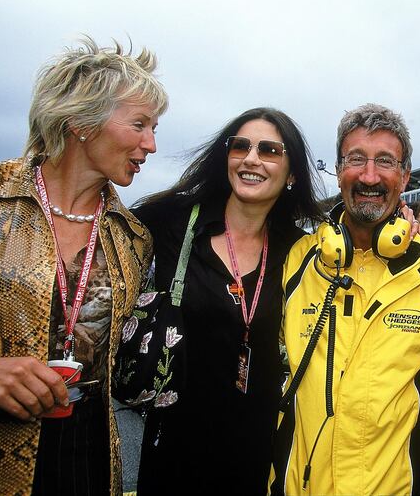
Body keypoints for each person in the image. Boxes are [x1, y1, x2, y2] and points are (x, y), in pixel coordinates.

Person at [0, 37, 167, 495]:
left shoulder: (132, 238)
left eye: (154, 128)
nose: (151, 144)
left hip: (89, 460)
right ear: (80, 120)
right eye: (139, 124)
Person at [128, 108, 324, 494]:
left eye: (269, 150)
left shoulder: (301, 249)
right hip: (174, 444)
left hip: (256, 445)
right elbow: (92, 225)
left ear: (292, 174)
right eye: (241, 147)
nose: (252, 159)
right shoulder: (174, 220)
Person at [270, 103, 420, 495]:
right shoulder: (297, 260)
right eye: (357, 159)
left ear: (404, 176)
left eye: (385, 161)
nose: (369, 176)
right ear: (339, 171)